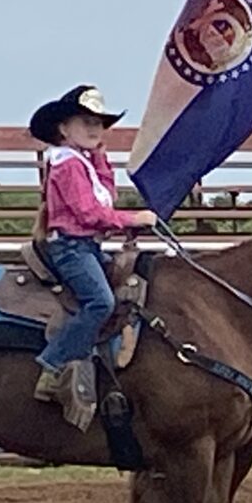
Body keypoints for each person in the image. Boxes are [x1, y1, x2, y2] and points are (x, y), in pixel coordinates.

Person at [27, 85, 158, 405]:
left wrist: (100, 157)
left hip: (85, 246)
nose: (94, 128)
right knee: (100, 302)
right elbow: (88, 212)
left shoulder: (80, 162)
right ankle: (53, 363)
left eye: (98, 123)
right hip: (71, 247)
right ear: (63, 128)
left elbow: (106, 195)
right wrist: (132, 220)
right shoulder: (67, 164)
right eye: (85, 121)